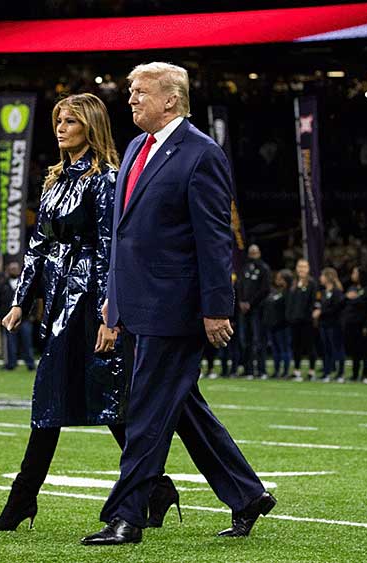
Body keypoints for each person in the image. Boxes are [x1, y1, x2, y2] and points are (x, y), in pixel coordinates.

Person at [84, 63, 272, 546]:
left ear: (171, 99)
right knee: (182, 408)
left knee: (145, 411)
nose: (129, 99)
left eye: (139, 92)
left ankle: (126, 515)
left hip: (176, 307)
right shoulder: (134, 148)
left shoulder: (201, 153)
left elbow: (213, 239)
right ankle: (247, 494)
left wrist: (217, 307)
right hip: (139, 302)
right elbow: (127, 236)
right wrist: (114, 302)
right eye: (130, 91)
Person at [0, 93, 179, 534]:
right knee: (81, 400)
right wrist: (20, 300)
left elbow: (113, 248)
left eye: (70, 121)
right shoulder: (53, 181)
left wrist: (112, 313)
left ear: (89, 127)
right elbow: (37, 245)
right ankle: (155, 487)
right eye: (58, 121)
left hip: (90, 300)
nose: (60, 128)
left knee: (92, 400)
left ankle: (23, 500)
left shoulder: (107, 179)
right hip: (58, 300)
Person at [238, 244, 270, 378]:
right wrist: (241, 301)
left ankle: (261, 370)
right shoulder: (244, 268)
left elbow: (264, 289)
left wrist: (250, 303)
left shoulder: (264, 268)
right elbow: (239, 285)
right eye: (251, 253)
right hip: (244, 310)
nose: (253, 256)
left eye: (255, 253)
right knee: (245, 340)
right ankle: (248, 370)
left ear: (259, 253)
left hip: (257, 310)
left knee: (258, 340)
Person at [0, 262, 35, 371]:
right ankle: (11, 364)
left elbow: (34, 299)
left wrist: (32, 315)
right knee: (10, 344)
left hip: (25, 319)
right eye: (11, 268)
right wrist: (0, 316)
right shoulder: (3, 284)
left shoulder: (25, 283)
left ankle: (30, 364)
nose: (13, 270)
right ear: (8, 270)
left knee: (27, 342)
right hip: (9, 319)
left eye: (15, 268)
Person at [286, 259, 318, 381]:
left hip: (307, 321)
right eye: (299, 266)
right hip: (294, 321)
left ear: (308, 269)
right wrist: (289, 316)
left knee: (310, 346)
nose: (301, 269)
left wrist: (309, 316)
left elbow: (313, 302)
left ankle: (311, 371)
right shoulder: (293, 283)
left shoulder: (311, 283)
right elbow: (290, 302)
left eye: (304, 267)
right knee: (296, 346)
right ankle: (297, 371)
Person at [340, 266, 367, 382]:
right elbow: (342, 301)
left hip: (361, 325)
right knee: (354, 351)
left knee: (364, 351)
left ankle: (365, 375)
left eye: (355, 273)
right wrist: (347, 297)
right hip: (350, 324)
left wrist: (366, 325)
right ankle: (355, 374)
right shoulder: (351, 288)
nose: (353, 275)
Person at [314, 267, 345, 382]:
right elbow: (318, 305)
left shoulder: (337, 293)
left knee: (337, 348)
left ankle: (340, 373)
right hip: (324, 324)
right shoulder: (321, 292)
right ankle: (326, 372)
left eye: (322, 276)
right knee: (325, 349)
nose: (320, 278)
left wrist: (322, 311)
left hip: (335, 324)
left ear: (328, 277)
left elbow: (336, 308)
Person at [263, 269, 292, 379]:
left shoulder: (289, 292)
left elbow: (287, 310)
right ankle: (276, 371)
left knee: (284, 348)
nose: (277, 280)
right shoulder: (274, 291)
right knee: (275, 349)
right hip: (272, 325)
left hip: (283, 325)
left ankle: (285, 371)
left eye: (280, 278)